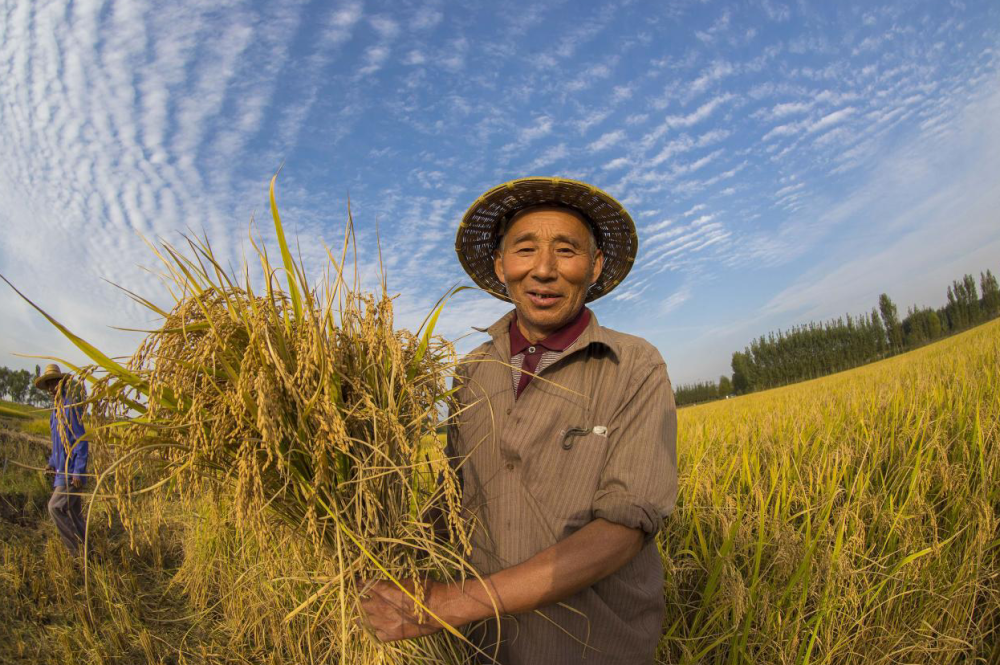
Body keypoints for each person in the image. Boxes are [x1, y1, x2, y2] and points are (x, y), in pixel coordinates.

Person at [361, 177, 678, 664]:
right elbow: (457, 493)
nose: (544, 270)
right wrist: (382, 551)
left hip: (591, 647)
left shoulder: (633, 366)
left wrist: (452, 602)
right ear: (500, 266)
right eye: (525, 249)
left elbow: (623, 529)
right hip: (481, 645)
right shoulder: (471, 372)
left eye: (567, 251)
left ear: (593, 266)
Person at [37, 363, 89, 556]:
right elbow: (57, 445)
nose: (51, 389)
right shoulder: (54, 414)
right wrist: (51, 463)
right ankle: (89, 554)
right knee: (75, 515)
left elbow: (81, 441)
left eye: (54, 384)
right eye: (49, 385)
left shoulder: (70, 408)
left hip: (71, 472)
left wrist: (78, 470)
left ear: (61, 384)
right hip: (61, 471)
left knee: (55, 508)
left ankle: (75, 553)